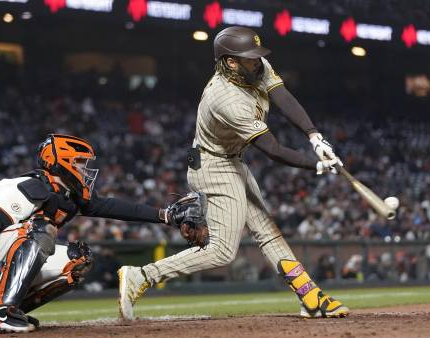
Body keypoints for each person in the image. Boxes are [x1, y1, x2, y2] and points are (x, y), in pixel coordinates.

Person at [118, 26, 349, 319]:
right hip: (213, 165)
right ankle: (142, 275)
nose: (258, 61)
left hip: (231, 159)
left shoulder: (252, 67)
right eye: (250, 57)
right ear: (230, 61)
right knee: (223, 251)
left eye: (257, 55)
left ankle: (309, 295)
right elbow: (274, 149)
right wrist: (317, 164)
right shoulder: (225, 99)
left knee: (267, 230)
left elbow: (282, 95)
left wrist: (314, 136)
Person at [0, 134, 178, 333]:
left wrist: (164, 215)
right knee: (41, 228)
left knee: (78, 259)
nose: (85, 169)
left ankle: (9, 306)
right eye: (79, 162)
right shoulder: (34, 185)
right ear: (62, 162)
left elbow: (112, 207)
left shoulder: (64, 193)